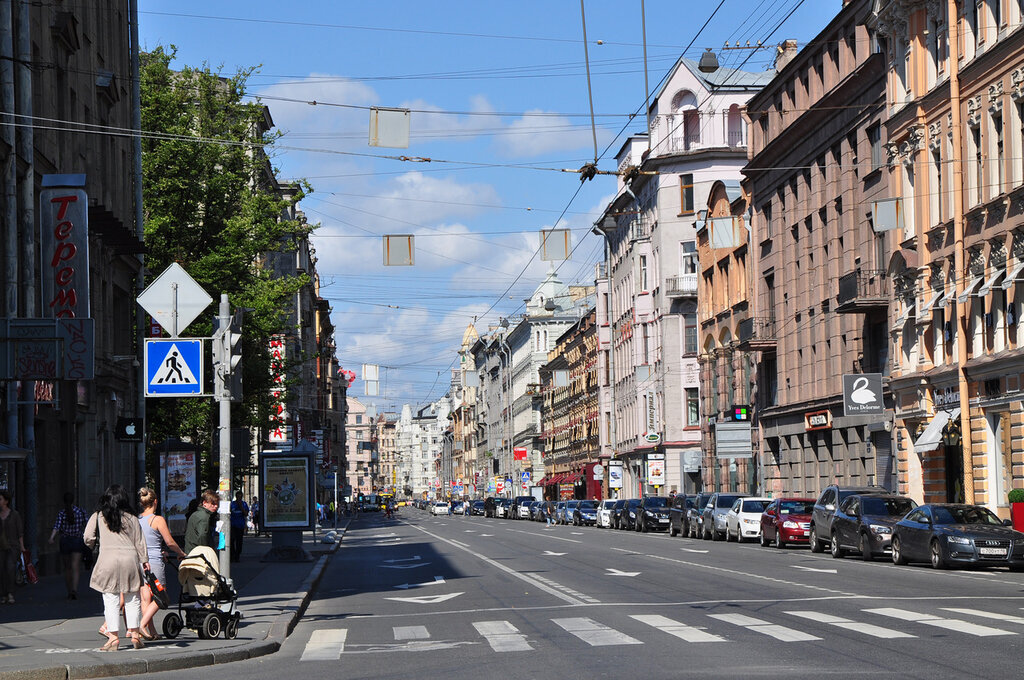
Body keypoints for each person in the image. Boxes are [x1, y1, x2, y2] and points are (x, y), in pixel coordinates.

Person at [84, 484, 150, 651]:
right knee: (132, 598)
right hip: (130, 560)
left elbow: (87, 537)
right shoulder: (132, 518)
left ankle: (113, 637)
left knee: (111, 599)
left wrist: (94, 545)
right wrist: (145, 560)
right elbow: (140, 542)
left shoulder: (98, 516)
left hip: (107, 560)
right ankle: (135, 634)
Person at [137, 487, 186, 640]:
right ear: (155, 502)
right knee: (162, 595)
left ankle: (151, 632)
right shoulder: (157, 520)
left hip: (140, 561)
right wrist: (181, 553)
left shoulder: (137, 519)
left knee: (146, 597)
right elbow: (170, 542)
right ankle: (142, 624)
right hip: (154, 562)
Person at [48, 492, 88, 600]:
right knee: (75, 566)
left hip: (65, 541)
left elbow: (57, 526)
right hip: (77, 540)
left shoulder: (62, 513)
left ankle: (69, 590)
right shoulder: (81, 512)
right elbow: (87, 525)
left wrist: (51, 537)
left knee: (67, 568)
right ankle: (75, 589)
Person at [0, 490, 25, 604]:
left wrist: (22, 547)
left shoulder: (14, 515)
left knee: (10, 567)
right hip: (1, 546)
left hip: (13, 546)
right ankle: (4, 594)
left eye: (0, 499)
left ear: (6, 501)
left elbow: (20, 532)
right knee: (2, 570)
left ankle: (10, 593)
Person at [184, 489, 220, 555]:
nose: (216, 506)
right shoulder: (204, 516)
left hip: (191, 551)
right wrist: (205, 551)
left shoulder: (197, 514)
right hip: (198, 555)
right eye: (213, 504)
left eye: (217, 504)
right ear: (204, 503)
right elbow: (202, 535)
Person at [229, 491, 249, 563]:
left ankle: (237, 556)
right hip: (233, 525)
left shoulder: (244, 504)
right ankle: (232, 555)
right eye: (238, 497)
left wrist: (241, 506)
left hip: (240, 525)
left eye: (240, 497)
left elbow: (246, 514)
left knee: (239, 541)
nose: (239, 499)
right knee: (231, 541)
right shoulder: (232, 504)